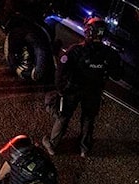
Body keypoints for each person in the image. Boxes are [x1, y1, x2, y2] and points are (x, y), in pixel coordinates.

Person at [42, 16, 120, 158]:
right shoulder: (110, 54)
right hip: (94, 91)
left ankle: (52, 145)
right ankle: (84, 148)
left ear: (88, 32)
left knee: (64, 117)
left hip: (73, 90)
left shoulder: (76, 51)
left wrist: (60, 90)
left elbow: (61, 71)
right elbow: (116, 75)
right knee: (88, 119)